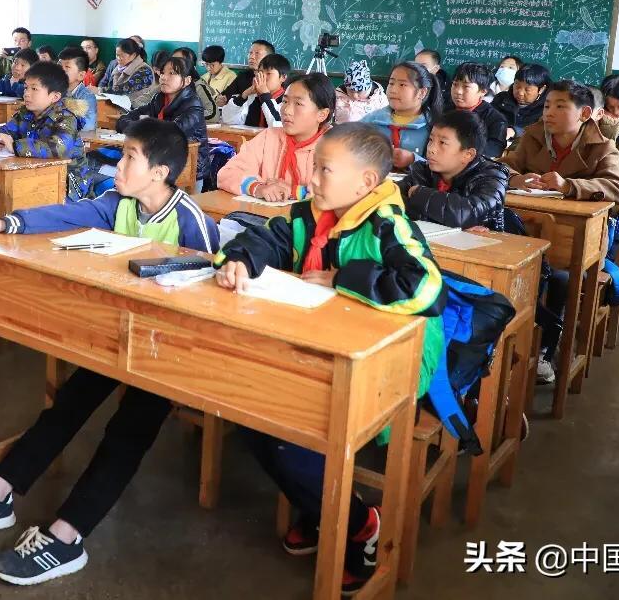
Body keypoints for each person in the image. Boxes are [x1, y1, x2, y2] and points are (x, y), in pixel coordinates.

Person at [0, 120, 218, 587]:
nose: (118, 165)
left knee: (129, 429)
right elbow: (67, 215)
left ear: (160, 172)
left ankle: (67, 536)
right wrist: (6, 223)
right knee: (69, 402)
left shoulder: (192, 222)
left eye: (129, 158)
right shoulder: (119, 203)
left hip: (167, 352)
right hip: (117, 333)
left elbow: (209, 295)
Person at [214, 122, 445, 592]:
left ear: (365, 183)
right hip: (323, 348)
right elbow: (269, 238)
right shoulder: (310, 214)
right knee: (248, 414)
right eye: (314, 167)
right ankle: (322, 507)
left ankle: (357, 523)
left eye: (324, 170)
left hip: (393, 360)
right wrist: (239, 258)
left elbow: (425, 288)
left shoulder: (388, 223)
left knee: (294, 430)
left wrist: (343, 277)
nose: (311, 178)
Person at [499, 80, 619, 382]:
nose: (549, 113)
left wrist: (569, 185)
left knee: (560, 278)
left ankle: (546, 348)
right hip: (528, 231)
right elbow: (502, 166)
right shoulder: (532, 136)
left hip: (576, 238)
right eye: (546, 106)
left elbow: (617, 188)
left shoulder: (602, 146)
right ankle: (507, 342)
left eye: (560, 106)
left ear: (584, 113)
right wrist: (517, 179)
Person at [216, 72, 336, 201]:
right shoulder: (269, 137)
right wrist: (257, 188)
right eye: (285, 101)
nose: (286, 110)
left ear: (322, 114)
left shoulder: (336, 147)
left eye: (298, 104)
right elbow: (227, 173)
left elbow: (340, 190)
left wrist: (294, 192)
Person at [0, 61, 89, 200]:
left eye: (34, 89)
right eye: (26, 87)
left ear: (55, 97)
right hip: (35, 175)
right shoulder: (25, 114)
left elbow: (58, 148)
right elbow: (6, 130)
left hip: (69, 185)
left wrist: (15, 146)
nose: (26, 93)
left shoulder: (66, 118)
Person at [398, 110, 509, 231]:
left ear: (468, 154)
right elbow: (391, 200)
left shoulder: (492, 176)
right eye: (431, 140)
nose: (431, 149)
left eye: (442, 143)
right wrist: (454, 222)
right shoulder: (423, 171)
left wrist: (418, 193)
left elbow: (469, 214)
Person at [116, 56, 208, 156]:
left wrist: (140, 128)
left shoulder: (193, 106)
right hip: (159, 155)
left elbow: (172, 134)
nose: (163, 77)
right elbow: (123, 120)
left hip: (190, 161)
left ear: (187, 80)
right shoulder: (158, 100)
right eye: (163, 73)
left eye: (171, 73)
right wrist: (140, 128)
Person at [362, 61, 443, 170]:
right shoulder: (371, 120)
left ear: (422, 92)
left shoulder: (435, 127)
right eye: (391, 83)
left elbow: (446, 166)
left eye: (402, 85)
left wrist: (413, 159)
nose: (393, 90)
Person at [448, 62, 509, 157]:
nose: (458, 91)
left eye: (466, 87)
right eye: (455, 84)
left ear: (483, 91)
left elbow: (494, 150)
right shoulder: (443, 110)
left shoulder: (495, 119)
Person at [221, 52, 290, 128]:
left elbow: (278, 126)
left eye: (268, 73)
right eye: (260, 73)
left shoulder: (287, 101)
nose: (262, 77)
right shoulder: (253, 97)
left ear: (283, 77)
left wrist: (265, 95)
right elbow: (228, 120)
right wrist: (243, 96)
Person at [490, 62, 549, 138]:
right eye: (517, 86)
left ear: (541, 89)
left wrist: (515, 131)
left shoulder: (547, 108)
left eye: (527, 90)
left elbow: (544, 132)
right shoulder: (501, 99)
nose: (520, 93)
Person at [216, 39, 274, 104]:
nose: (251, 57)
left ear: (269, 57)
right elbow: (226, 95)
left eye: (257, 53)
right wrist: (221, 99)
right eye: (250, 53)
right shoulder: (243, 76)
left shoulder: (273, 79)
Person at [172, 46, 221, 123]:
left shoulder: (198, 86)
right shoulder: (167, 83)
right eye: (172, 60)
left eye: (179, 62)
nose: (172, 65)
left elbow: (213, 115)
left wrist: (185, 116)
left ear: (190, 66)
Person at [99, 38, 156, 103]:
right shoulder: (117, 68)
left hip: (138, 107)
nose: (118, 58)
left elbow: (125, 88)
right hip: (119, 105)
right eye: (117, 55)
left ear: (133, 55)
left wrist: (100, 90)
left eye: (122, 56)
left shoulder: (145, 70)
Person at [332, 59, 387, 125]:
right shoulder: (338, 96)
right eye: (351, 91)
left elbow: (386, 119)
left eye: (359, 91)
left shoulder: (379, 98)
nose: (355, 96)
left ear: (368, 88)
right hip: (342, 130)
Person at [57, 47, 98, 132]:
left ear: (81, 75)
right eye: (59, 66)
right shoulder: (51, 91)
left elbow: (88, 126)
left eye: (67, 67)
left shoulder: (87, 97)